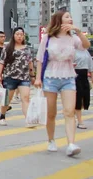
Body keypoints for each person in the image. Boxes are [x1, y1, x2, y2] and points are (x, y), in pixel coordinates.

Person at [35, 11, 90, 156]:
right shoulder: (47, 38)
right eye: (67, 17)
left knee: (69, 111)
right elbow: (40, 59)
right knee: (51, 113)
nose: (70, 19)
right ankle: (51, 140)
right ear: (59, 20)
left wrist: (78, 32)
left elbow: (86, 45)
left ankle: (71, 144)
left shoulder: (73, 38)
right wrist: (38, 78)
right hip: (50, 77)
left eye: (71, 17)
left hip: (69, 77)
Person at [0, 27, 34, 127]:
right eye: (17, 34)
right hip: (10, 77)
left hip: (24, 77)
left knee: (26, 98)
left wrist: (32, 76)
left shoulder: (27, 48)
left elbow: (30, 63)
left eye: (21, 34)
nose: (19, 36)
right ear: (13, 35)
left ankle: (28, 120)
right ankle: (2, 116)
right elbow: (1, 63)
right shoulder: (7, 48)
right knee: (7, 99)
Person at [74, 44, 93, 129]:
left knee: (84, 98)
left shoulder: (86, 52)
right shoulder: (72, 51)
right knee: (78, 98)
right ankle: (79, 120)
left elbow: (91, 67)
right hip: (75, 75)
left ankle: (74, 116)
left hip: (84, 76)